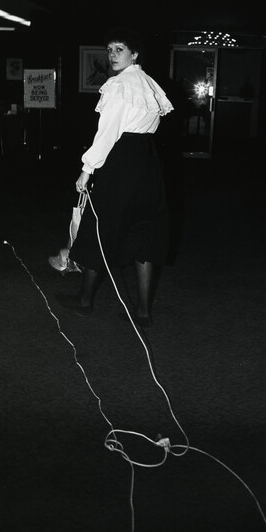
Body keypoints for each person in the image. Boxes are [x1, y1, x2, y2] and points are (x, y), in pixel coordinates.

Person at [56, 29, 174, 328]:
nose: (112, 55)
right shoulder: (147, 83)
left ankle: (84, 301)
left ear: (134, 54)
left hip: (121, 162)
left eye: (119, 49)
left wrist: (87, 168)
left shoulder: (119, 86)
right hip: (148, 164)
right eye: (109, 49)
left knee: (99, 229)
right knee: (144, 232)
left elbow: (107, 133)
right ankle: (144, 312)